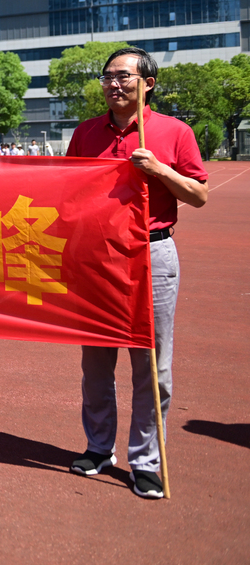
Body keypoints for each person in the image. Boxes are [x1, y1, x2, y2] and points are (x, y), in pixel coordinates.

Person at [65, 47, 208, 500]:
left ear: (148, 83)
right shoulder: (86, 133)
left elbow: (199, 195)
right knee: (96, 363)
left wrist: (159, 169)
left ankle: (145, 461)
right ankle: (98, 448)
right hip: (96, 259)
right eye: (108, 76)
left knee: (151, 366)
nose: (114, 84)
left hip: (152, 254)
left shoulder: (173, 131)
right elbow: (64, 190)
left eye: (124, 76)